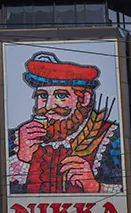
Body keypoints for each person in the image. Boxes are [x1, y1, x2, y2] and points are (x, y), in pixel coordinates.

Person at [8, 52, 123, 194]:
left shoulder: (113, 138)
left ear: (85, 99)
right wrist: (22, 159)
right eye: (43, 96)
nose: (49, 106)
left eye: (61, 95)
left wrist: (95, 187)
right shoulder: (15, 139)